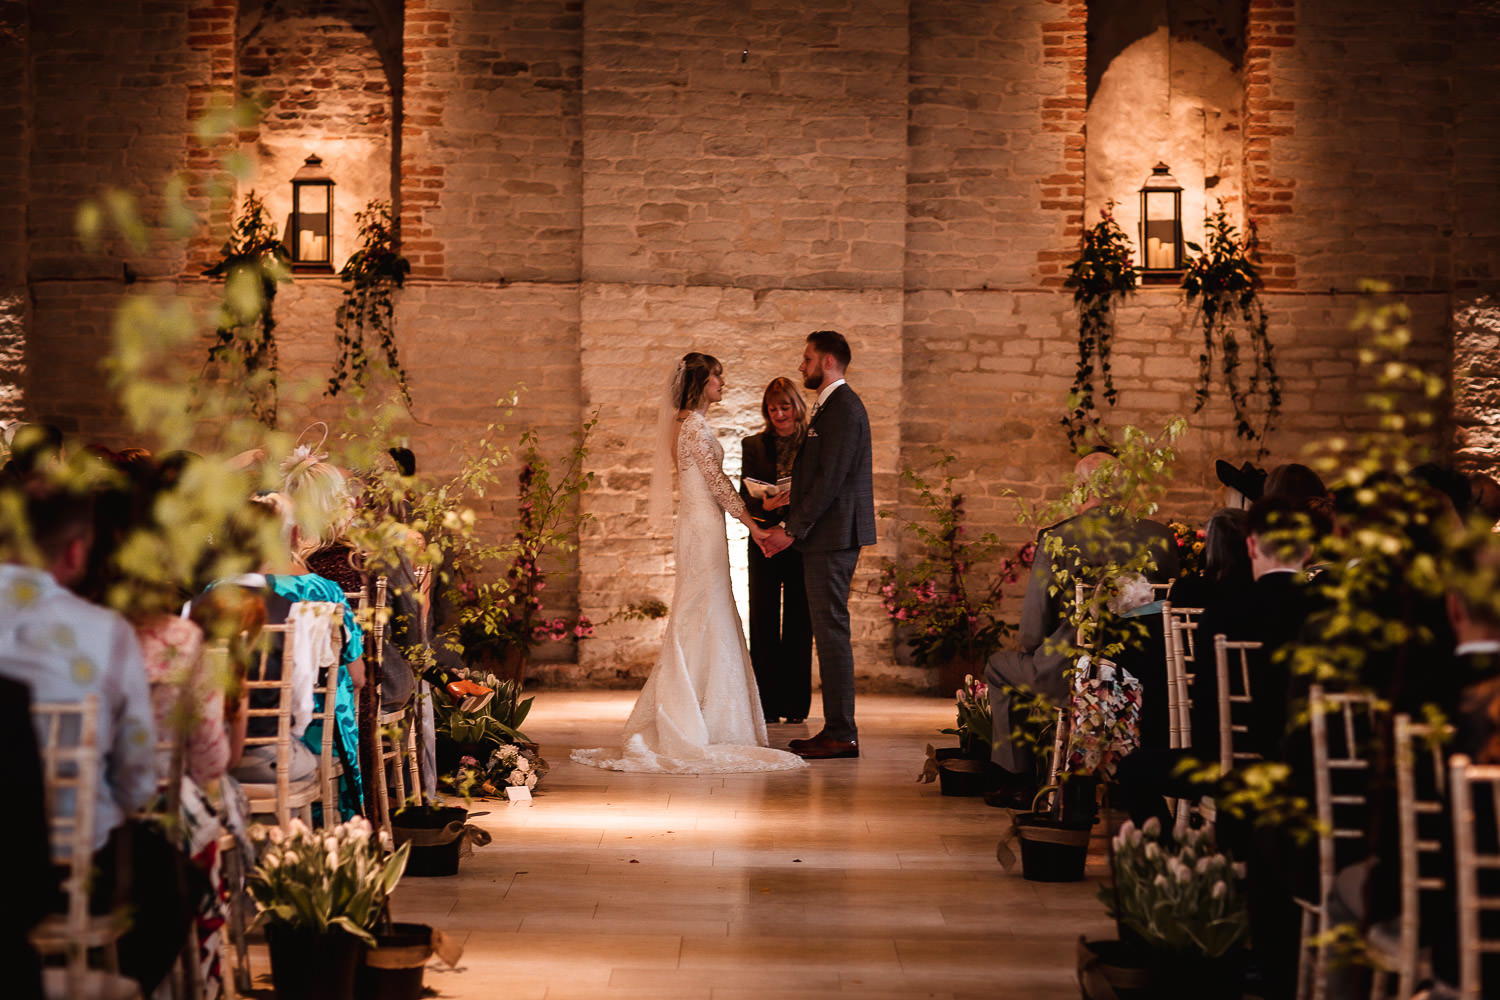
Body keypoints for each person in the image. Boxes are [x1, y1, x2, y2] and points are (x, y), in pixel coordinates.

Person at [572, 353, 806, 774]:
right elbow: (717, 484)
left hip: (696, 523)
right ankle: (703, 715)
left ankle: (699, 701)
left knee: (702, 609)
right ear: (702, 381)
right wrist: (754, 525)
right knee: (708, 608)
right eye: (719, 379)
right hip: (703, 525)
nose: (724, 386)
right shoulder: (695, 425)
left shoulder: (681, 423)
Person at [981, 451, 1178, 804]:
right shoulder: (1161, 536)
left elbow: (1031, 630)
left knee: (999, 666)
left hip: (1075, 673)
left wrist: (1036, 655)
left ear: (1081, 489)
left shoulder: (1060, 537)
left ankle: (1018, 779)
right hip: (1145, 676)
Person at [760, 331, 876, 760]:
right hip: (826, 535)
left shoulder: (844, 408)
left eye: (806, 358)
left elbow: (832, 480)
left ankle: (842, 733)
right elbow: (821, 475)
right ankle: (837, 729)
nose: (801, 365)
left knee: (831, 634)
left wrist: (791, 529)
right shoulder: (832, 408)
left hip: (833, 536)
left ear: (827, 361)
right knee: (828, 633)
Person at [739, 377, 813, 725]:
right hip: (766, 542)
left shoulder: (815, 444)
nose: (779, 414)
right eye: (773, 408)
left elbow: (819, 495)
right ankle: (766, 705)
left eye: (785, 407)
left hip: (803, 544)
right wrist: (765, 512)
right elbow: (744, 496)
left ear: (797, 406)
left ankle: (796, 706)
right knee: (764, 622)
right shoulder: (753, 444)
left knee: (800, 623)